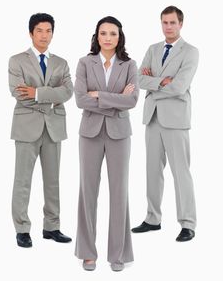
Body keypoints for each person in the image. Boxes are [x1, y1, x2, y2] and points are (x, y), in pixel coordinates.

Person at [74, 16, 139, 271]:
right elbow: (80, 100)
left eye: (113, 33)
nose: (108, 37)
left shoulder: (130, 64)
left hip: (120, 135)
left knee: (119, 192)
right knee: (87, 193)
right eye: (103, 33)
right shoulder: (84, 63)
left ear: (119, 36)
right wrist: (115, 100)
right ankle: (88, 252)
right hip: (89, 133)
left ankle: (118, 254)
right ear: (97, 36)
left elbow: (132, 101)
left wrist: (99, 95)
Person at [132, 6, 199, 242]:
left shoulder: (190, 52)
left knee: (181, 172)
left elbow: (180, 86)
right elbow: (139, 79)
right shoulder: (153, 49)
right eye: (164, 22)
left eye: (172, 22)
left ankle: (188, 223)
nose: (168, 26)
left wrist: (154, 84)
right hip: (152, 117)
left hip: (176, 119)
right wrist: (162, 81)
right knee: (152, 170)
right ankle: (152, 218)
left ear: (181, 24)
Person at [9, 13, 73, 247]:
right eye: (40, 31)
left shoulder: (61, 63)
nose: (44, 35)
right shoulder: (17, 60)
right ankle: (22, 229)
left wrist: (36, 92)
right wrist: (52, 97)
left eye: (48, 31)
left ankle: (52, 227)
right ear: (31, 33)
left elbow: (68, 92)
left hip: (54, 127)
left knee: (53, 180)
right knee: (23, 180)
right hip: (27, 127)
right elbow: (18, 94)